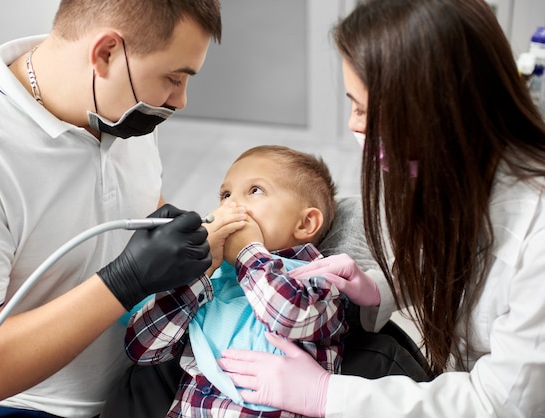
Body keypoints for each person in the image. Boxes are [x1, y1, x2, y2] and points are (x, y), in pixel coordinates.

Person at [216, 0, 545, 417]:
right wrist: (381, 288)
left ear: (435, 109)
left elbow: (501, 403)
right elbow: (455, 265)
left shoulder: (536, 235)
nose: (354, 124)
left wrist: (325, 394)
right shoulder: (456, 171)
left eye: (363, 109)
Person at [0, 1, 221, 416]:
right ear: (105, 54)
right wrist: (124, 281)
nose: (180, 100)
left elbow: (135, 211)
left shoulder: (122, 110)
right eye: (173, 78)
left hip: (135, 386)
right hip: (20, 404)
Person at [124, 145, 371, 417]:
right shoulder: (211, 285)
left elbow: (289, 315)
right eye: (225, 194)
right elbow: (142, 348)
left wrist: (248, 252)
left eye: (255, 191)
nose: (230, 205)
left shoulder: (321, 277)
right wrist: (199, 273)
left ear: (305, 224)